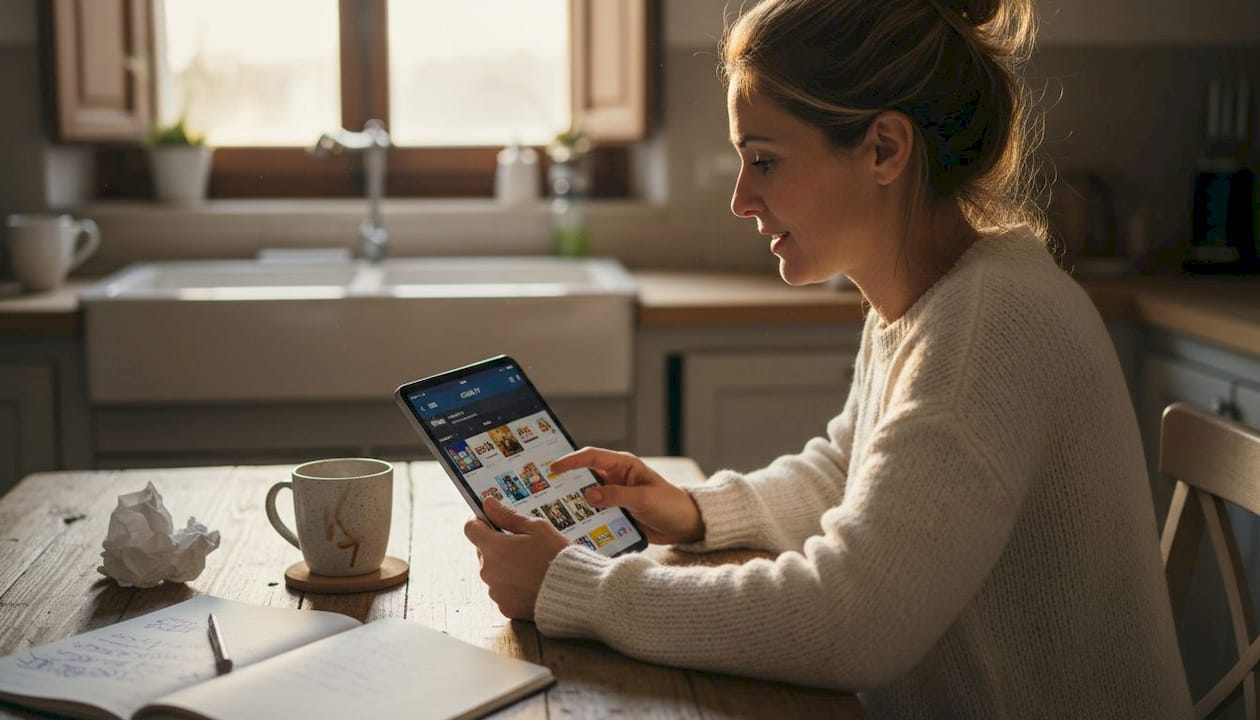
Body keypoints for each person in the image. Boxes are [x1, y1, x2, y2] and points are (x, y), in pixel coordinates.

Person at [463, 0, 1193, 716]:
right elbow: (846, 472)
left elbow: (845, 624)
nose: (742, 198)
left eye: (766, 161)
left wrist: (577, 589)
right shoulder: (930, 297)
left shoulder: (985, 327)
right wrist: (692, 511)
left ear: (884, 149)